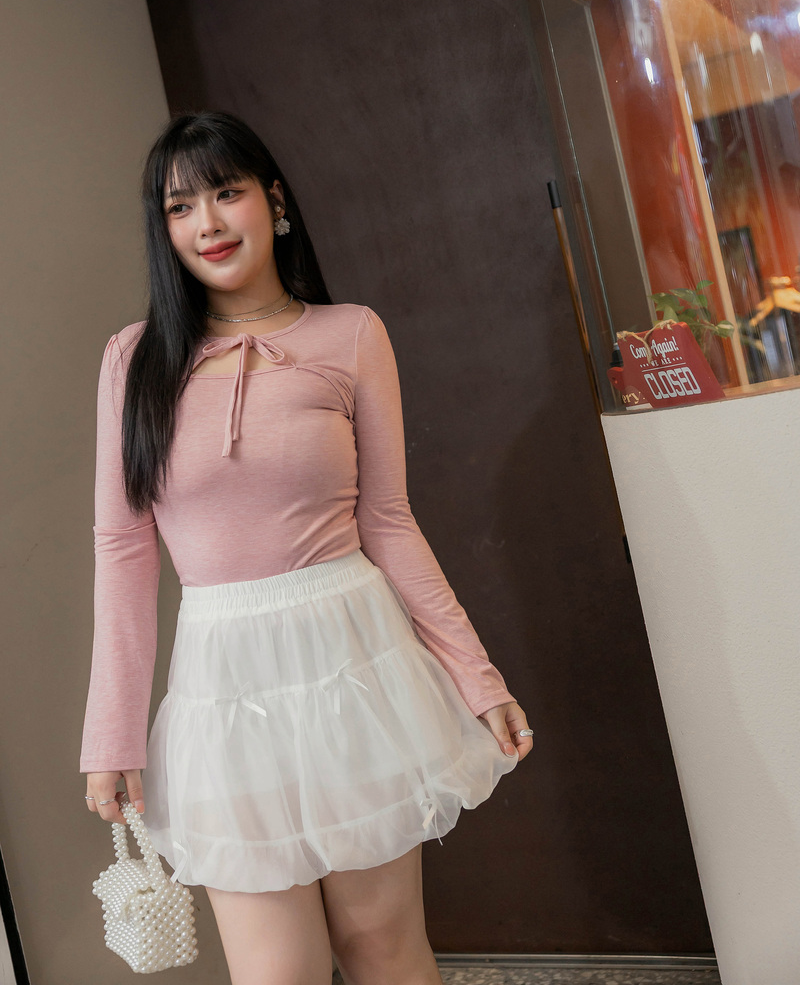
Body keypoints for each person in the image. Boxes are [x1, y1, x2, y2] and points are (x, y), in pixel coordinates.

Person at [80, 111, 534, 985]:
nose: (208, 223)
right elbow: (122, 549)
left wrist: (479, 679)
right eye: (180, 207)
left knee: (381, 948)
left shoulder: (350, 334)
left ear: (274, 201)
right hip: (224, 685)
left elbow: (389, 521)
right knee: (275, 972)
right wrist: (112, 734)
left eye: (227, 193)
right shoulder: (133, 361)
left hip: (353, 666)